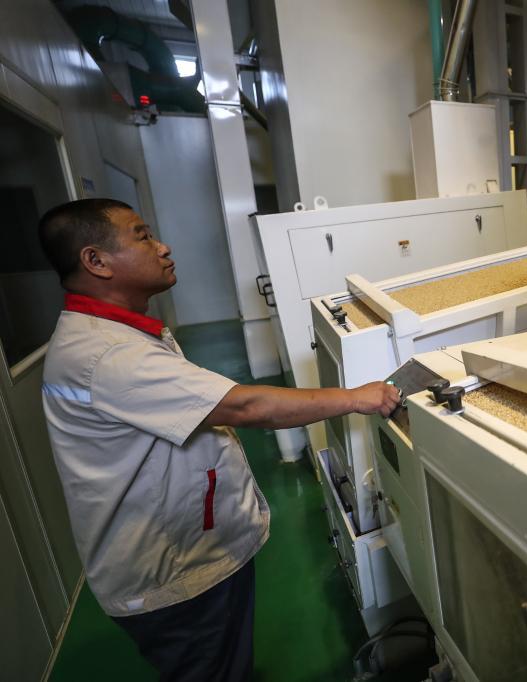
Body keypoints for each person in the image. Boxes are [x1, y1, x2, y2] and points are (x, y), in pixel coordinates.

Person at [37, 198, 399, 681]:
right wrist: (357, 397)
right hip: (172, 574)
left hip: (183, 555)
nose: (163, 247)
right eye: (142, 236)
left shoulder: (112, 333)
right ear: (96, 261)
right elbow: (246, 407)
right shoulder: (108, 355)